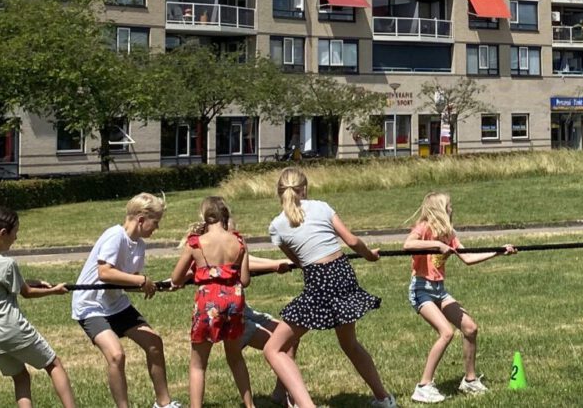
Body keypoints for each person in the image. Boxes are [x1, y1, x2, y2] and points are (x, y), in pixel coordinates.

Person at [261, 167, 397, 408]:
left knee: (273, 349)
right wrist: (369, 255)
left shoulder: (277, 225)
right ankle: (383, 398)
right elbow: (351, 240)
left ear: (279, 192)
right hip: (343, 273)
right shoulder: (322, 207)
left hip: (319, 281)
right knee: (349, 344)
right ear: (305, 188)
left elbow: (300, 262)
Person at [402, 192, 516, 403]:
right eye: (449, 206)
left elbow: (468, 258)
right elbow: (408, 245)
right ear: (439, 209)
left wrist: (497, 252)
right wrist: (436, 246)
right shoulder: (424, 228)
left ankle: (470, 381)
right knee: (446, 332)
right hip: (421, 289)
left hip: (439, 290)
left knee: (470, 328)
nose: (452, 209)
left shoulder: (449, 234)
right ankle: (423, 386)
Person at [72, 193, 179, 408]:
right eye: (155, 222)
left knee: (154, 343)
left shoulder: (139, 245)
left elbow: (128, 282)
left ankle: (164, 404)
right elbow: (105, 273)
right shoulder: (115, 235)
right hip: (91, 306)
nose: (156, 228)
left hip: (115, 303)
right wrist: (141, 280)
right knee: (116, 355)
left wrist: (157, 286)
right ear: (141, 219)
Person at [0, 207, 78, 408]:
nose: (16, 238)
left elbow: (2, 284)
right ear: (2, 233)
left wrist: (33, 282)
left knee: (21, 377)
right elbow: (26, 293)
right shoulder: (6, 264)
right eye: (15, 232)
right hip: (12, 330)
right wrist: (55, 290)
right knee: (54, 365)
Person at [164, 197, 255, 408]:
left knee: (198, 363)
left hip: (208, 302)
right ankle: (250, 405)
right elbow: (245, 280)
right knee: (235, 357)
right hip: (234, 300)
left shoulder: (196, 243)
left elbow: (176, 278)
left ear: (204, 216)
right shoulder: (239, 241)